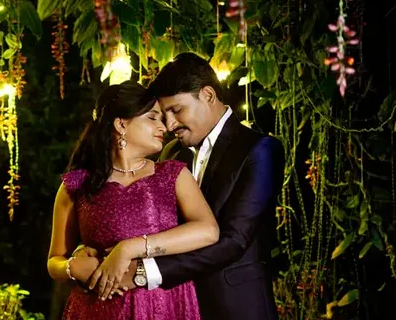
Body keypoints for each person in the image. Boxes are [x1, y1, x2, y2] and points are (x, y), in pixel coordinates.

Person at [74, 52, 285, 320]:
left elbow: (234, 241)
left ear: (208, 95)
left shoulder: (258, 149)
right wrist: (87, 251)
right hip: (176, 305)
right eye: (163, 115)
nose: (170, 124)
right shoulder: (173, 155)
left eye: (176, 110)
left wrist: (143, 272)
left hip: (235, 306)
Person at [46, 80, 220, 319]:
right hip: (98, 307)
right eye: (152, 117)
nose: (165, 126)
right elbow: (54, 260)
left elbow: (208, 230)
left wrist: (129, 248)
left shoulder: (173, 174)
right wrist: (70, 268)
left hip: (164, 305)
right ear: (121, 124)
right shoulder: (77, 185)